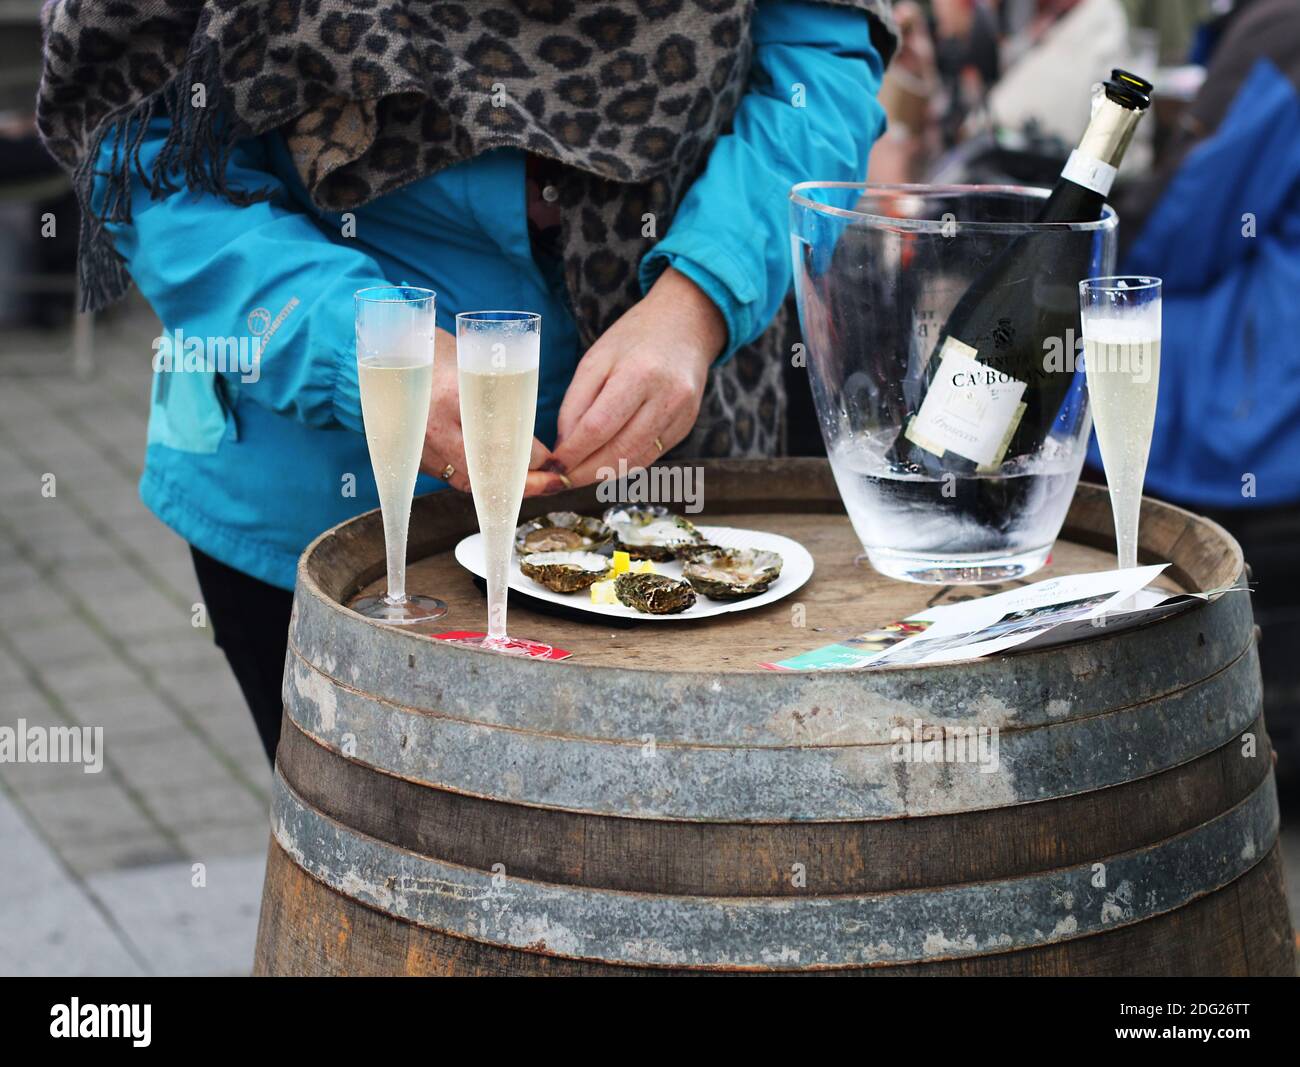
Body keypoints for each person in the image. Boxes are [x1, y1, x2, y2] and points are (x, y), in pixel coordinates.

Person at [36, 1, 897, 760]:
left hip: (681, 447)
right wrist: (367, 348)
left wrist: (703, 294)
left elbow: (819, 51)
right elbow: (143, 145)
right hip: (326, 485)